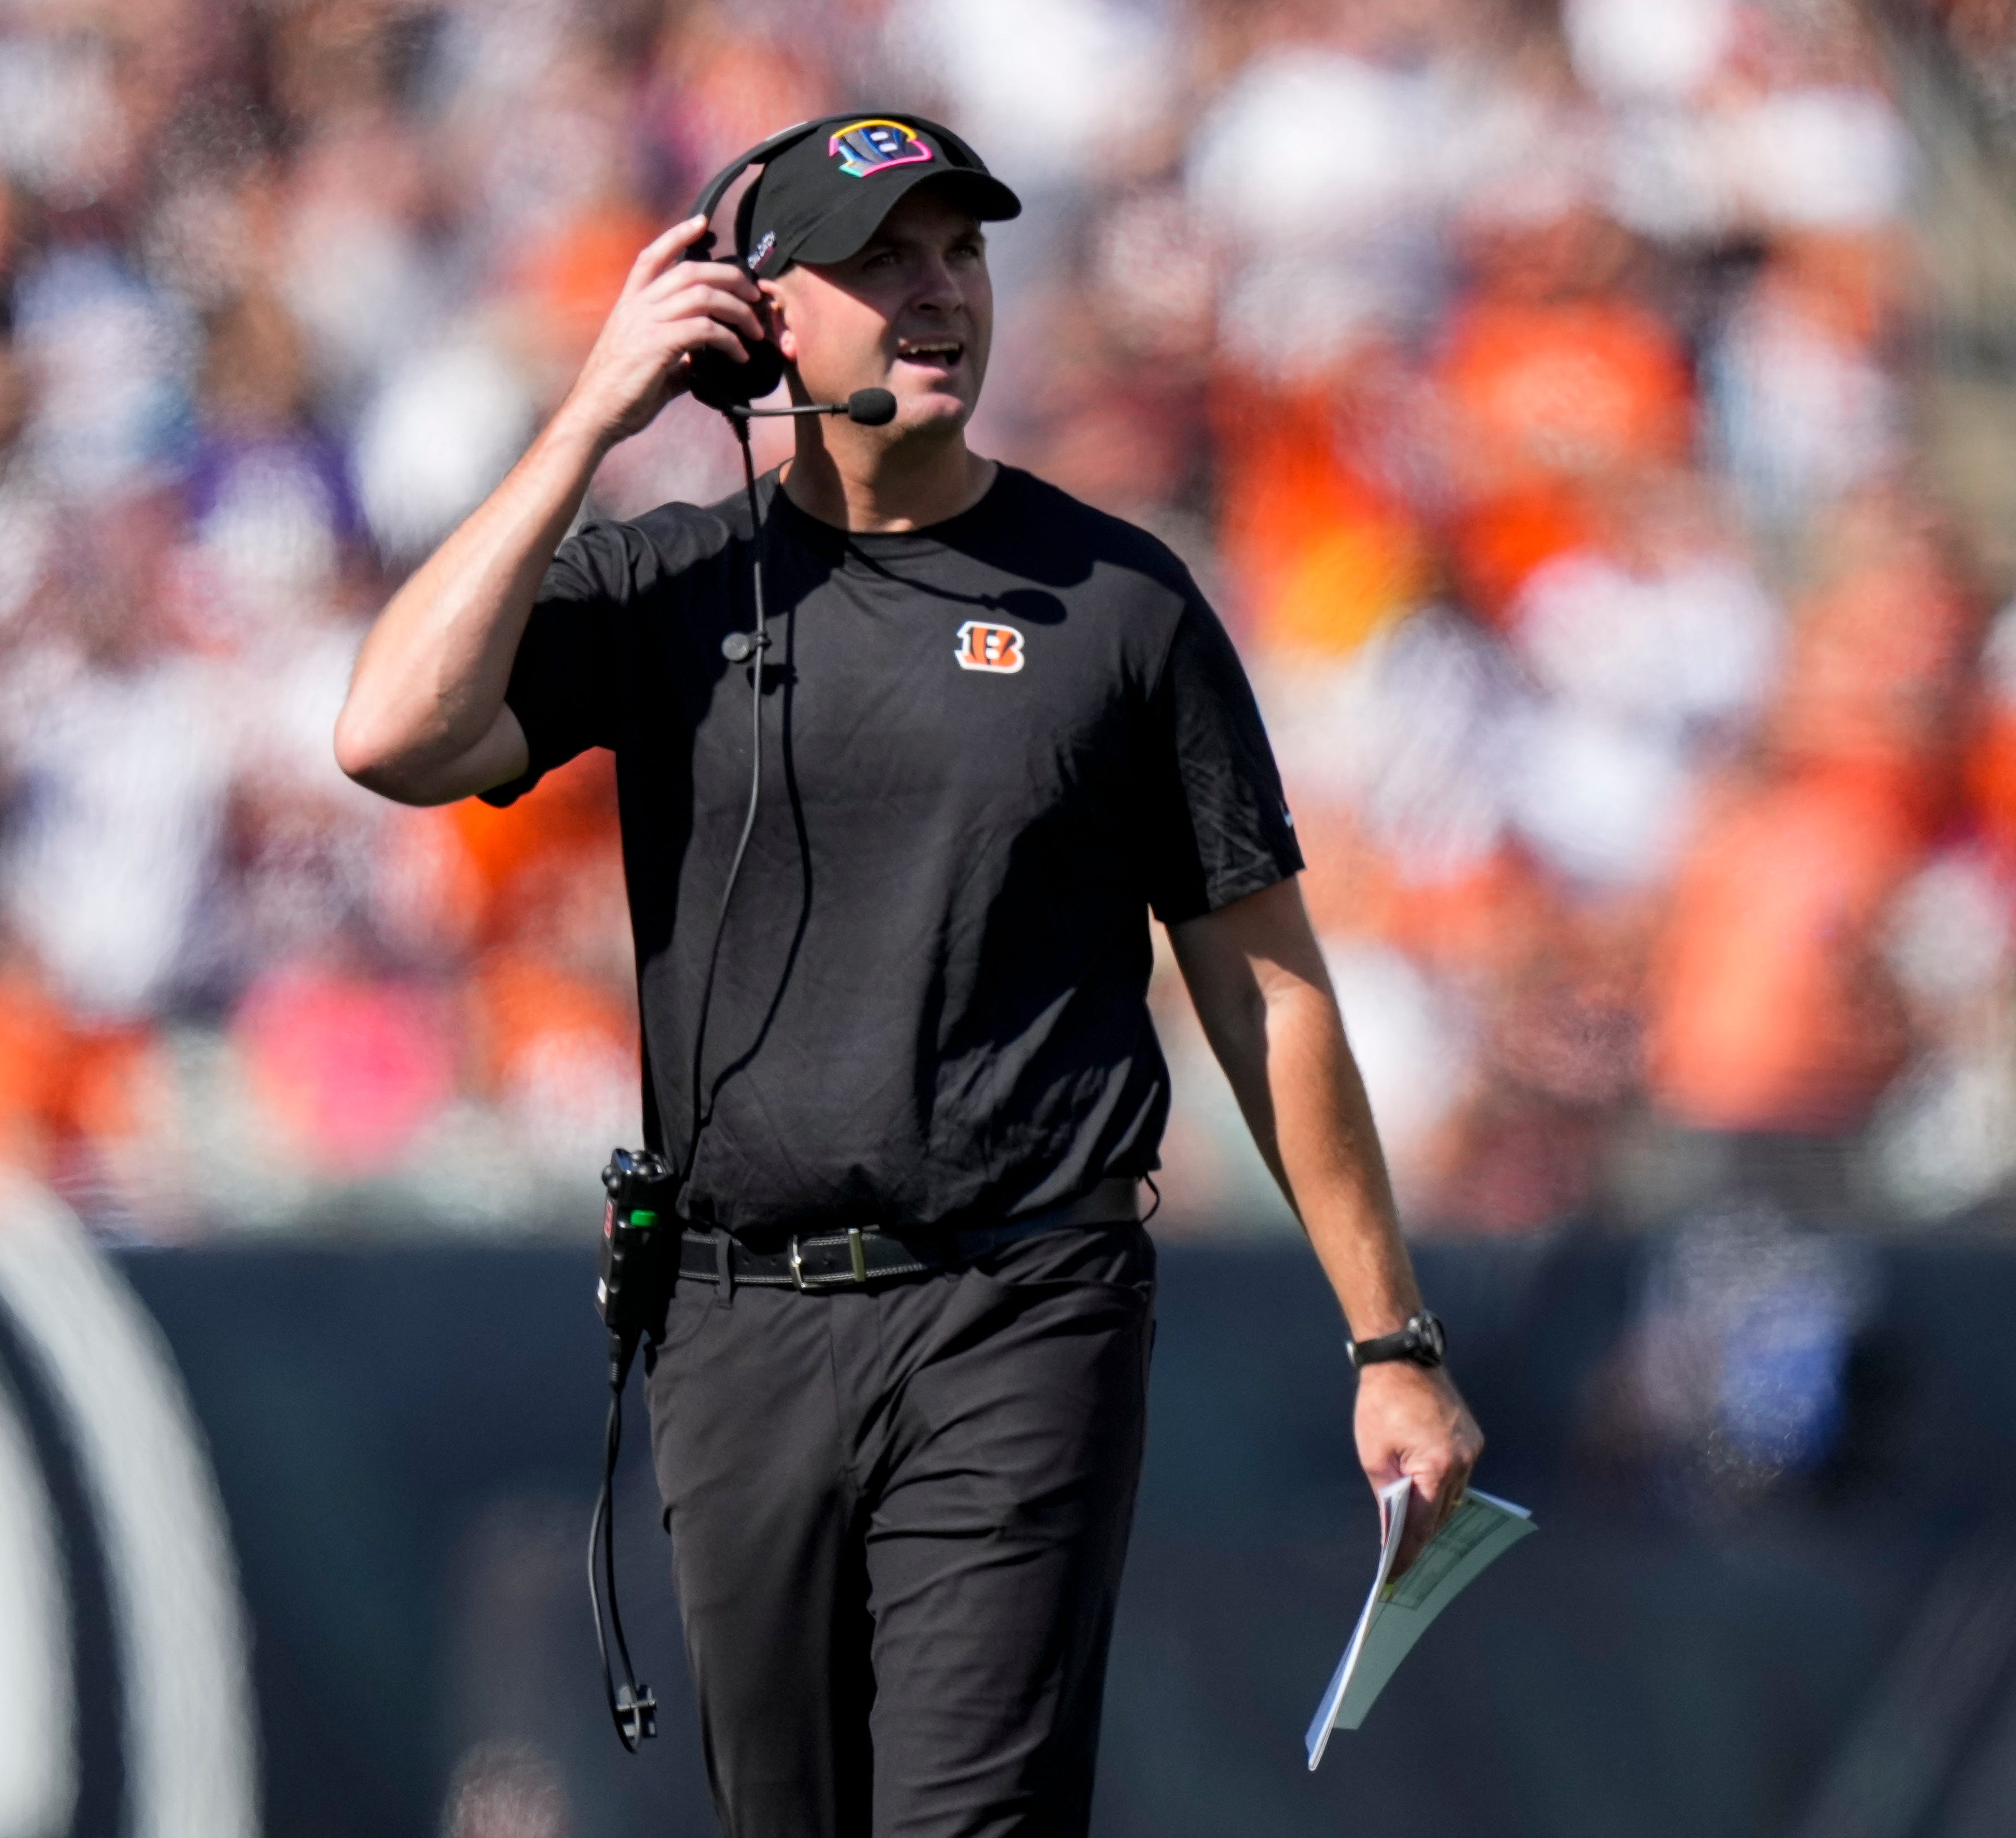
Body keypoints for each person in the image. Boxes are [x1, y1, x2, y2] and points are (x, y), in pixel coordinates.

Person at [332, 111, 1481, 1837]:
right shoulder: (669, 588)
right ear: (758, 312)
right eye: (886, 259)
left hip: (1019, 1301)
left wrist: (1389, 1338)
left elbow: (1268, 988)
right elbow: (390, 738)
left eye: (962, 252)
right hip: (738, 1326)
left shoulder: (1120, 606)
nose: (939, 292)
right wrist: (590, 417)